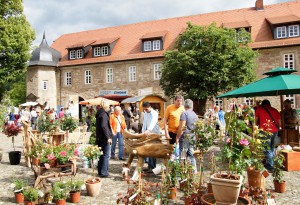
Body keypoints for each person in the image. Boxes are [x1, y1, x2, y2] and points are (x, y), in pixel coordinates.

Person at [255, 99, 281, 172]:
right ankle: (273, 163)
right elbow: (279, 122)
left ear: (262, 104)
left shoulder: (259, 109)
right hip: (275, 131)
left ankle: (270, 166)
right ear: (269, 104)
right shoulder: (275, 110)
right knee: (272, 147)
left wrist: (256, 126)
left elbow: (255, 121)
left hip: (265, 131)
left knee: (267, 148)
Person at [175, 99, 198, 172]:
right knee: (191, 155)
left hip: (185, 138)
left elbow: (182, 127)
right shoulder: (195, 114)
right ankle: (194, 172)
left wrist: (177, 137)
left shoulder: (184, 114)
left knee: (182, 156)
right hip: (192, 137)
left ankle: (182, 172)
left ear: (185, 105)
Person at [95, 101, 113, 178]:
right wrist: (108, 137)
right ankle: (104, 172)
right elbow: (104, 126)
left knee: (101, 155)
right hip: (104, 138)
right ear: (106, 107)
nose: (109, 108)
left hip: (99, 137)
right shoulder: (104, 114)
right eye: (108, 106)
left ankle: (100, 171)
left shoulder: (99, 113)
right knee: (106, 155)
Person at [142, 101, 160, 172]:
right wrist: (143, 132)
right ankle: (149, 166)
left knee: (152, 150)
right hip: (147, 134)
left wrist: (148, 130)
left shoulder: (154, 113)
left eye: (146, 109)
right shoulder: (146, 113)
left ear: (150, 107)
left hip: (154, 133)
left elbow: (153, 122)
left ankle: (152, 167)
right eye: (144, 109)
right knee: (148, 149)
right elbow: (144, 123)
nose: (145, 110)